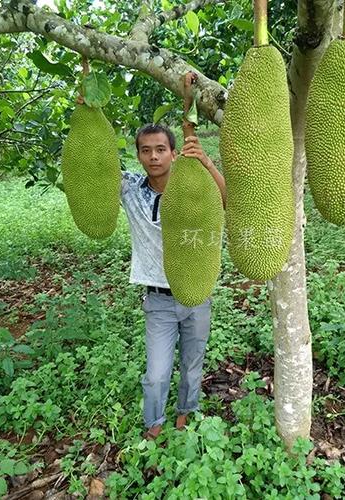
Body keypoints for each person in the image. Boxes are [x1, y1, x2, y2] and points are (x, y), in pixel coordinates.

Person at [121, 123, 226, 440]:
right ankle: (153, 423)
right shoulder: (131, 189)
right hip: (159, 300)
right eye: (146, 150)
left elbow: (227, 200)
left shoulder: (197, 185)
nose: (153, 157)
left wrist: (206, 163)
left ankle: (186, 414)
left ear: (174, 153)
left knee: (193, 365)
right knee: (156, 374)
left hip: (198, 297)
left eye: (161, 149)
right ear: (138, 155)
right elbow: (93, 175)